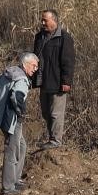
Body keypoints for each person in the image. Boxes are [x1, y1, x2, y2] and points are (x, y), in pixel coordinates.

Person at [0, 50, 37, 194]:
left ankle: (16, 179)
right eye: (33, 66)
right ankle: (8, 187)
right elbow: (17, 96)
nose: (35, 69)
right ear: (25, 64)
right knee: (12, 151)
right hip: (12, 120)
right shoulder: (21, 79)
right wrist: (21, 112)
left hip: (1, 115)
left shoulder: (10, 72)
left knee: (21, 146)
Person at [30, 9, 75, 148]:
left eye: (45, 20)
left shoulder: (64, 38)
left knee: (56, 113)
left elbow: (68, 61)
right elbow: (34, 58)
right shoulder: (39, 37)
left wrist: (66, 81)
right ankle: (51, 138)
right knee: (45, 112)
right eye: (42, 20)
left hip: (57, 82)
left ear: (54, 20)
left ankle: (56, 141)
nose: (42, 23)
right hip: (43, 81)